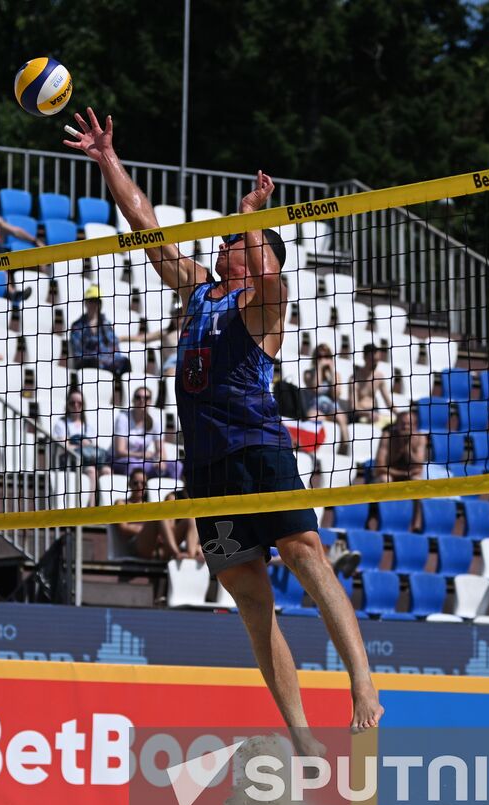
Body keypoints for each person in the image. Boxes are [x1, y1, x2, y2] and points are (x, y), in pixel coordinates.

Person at [66, 108, 382, 748]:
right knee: (250, 600)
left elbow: (267, 269)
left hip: (258, 449)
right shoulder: (199, 291)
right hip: (206, 467)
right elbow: (146, 225)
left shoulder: (267, 301)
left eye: (235, 239)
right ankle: (300, 734)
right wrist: (108, 161)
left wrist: (255, 214)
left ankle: (363, 684)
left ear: (259, 248)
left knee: (305, 556)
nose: (223, 242)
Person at [115, 470, 201, 562]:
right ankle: (177, 554)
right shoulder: (121, 503)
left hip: (160, 547)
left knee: (191, 519)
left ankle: (190, 555)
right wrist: (150, 528)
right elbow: (123, 528)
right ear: (129, 484)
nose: (139, 486)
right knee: (159, 516)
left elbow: (170, 527)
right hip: (138, 545)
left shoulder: (150, 506)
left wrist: (161, 530)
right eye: (136, 483)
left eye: (143, 483)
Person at [50, 389, 111, 503]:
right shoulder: (61, 424)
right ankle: (91, 508)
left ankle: (105, 506)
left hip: (89, 460)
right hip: (70, 461)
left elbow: (93, 447)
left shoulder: (88, 426)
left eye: (79, 403)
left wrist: (78, 444)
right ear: (67, 405)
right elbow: (63, 447)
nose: (76, 406)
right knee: (92, 471)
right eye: (72, 403)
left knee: (107, 471)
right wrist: (82, 445)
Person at [112, 386, 179, 479]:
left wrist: (160, 461)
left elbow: (161, 451)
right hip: (122, 461)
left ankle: (173, 493)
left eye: (146, 398)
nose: (142, 400)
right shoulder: (123, 418)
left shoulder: (155, 421)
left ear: (151, 401)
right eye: (138, 397)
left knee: (176, 466)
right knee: (133, 464)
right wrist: (142, 455)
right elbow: (120, 451)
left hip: (144, 462)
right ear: (133, 400)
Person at [69, 284, 132, 379]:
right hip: (88, 363)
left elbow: (114, 346)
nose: (94, 304)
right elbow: (78, 353)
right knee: (93, 362)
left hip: (107, 363)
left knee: (125, 362)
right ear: (86, 303)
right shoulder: (77, 326)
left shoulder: (106, 325)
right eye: (91, 301)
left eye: (97, 301)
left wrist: (108, 360)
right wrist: (96, 358)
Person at [370, 409, 427, 483]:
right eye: (403, 424)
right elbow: (380, 467)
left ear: (415, 426)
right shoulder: (387, 436)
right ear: (396, 424)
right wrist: (403, 474)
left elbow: (419, 466)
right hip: (389, 474)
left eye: (409, 424)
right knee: (385, 479)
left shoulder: (420, 437)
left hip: (409, 475)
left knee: (417, 479)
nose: (406, 427)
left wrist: (407, 446)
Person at [349, 344, 393, 425]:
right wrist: (368, 414)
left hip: (374, 413)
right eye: (372, 360)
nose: (375, 363)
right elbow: (353, 407)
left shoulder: (379, 376)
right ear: (365, 358)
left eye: (377, 360)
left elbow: (388, 402)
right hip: (359, 416)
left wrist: (400, 414)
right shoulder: (354, 378)